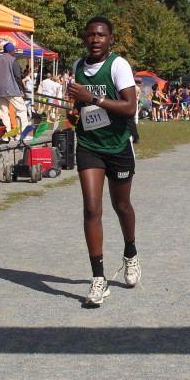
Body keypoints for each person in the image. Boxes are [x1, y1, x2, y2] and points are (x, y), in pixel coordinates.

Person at [65, 17, 140, 306]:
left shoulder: (118, 66)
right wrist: (74, 112)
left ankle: (130, 253)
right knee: (92, 208)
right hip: (89, 146)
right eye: (90, 35)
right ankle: (99, 279)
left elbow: (130, 107)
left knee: (121, 206)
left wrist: (93, 99)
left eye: (100, 35)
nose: (95, 39)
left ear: (110, 39)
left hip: (118, 145)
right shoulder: (78, 66)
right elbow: (78, 105)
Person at [0, 42, 27, 134]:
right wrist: (21, 89)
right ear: (11, 50)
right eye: (14, 50)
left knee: (3, 112)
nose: (14, 51)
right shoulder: (13, 60)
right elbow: (17, 76)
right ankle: (22, 133)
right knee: (21, 109)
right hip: (11, 89)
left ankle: (6, 134)